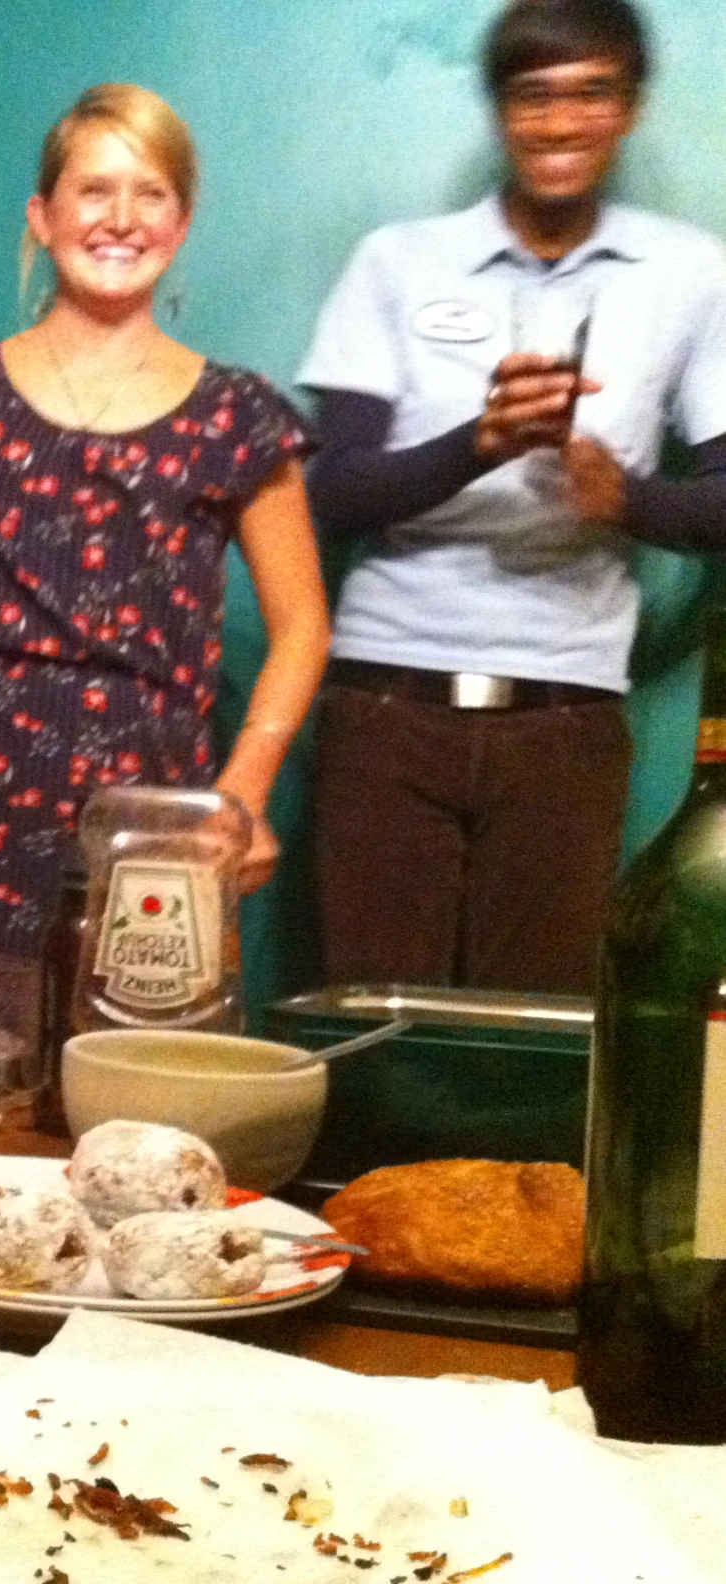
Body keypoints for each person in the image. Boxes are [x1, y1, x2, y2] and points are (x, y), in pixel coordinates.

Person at [0, 84, 330, 997]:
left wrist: (243, 789)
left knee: (130, 1091)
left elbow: (302, 626)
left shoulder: (237, 415)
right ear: (43, 214)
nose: (120, 219)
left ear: (181, 224)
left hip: (149, 816)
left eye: (150, 195)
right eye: (94, 190)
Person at [300, 0, 726, 995]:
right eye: (534, 96)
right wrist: (476, 443)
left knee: (526, 1046)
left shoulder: (692, 273)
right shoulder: (395, 261)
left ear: (628, 107)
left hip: (565, 720)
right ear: (499, 109)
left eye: (591, 94)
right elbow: (327, 492)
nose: (562, 122)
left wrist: (627, 500)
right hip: (386, 708)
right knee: (372, 1029)